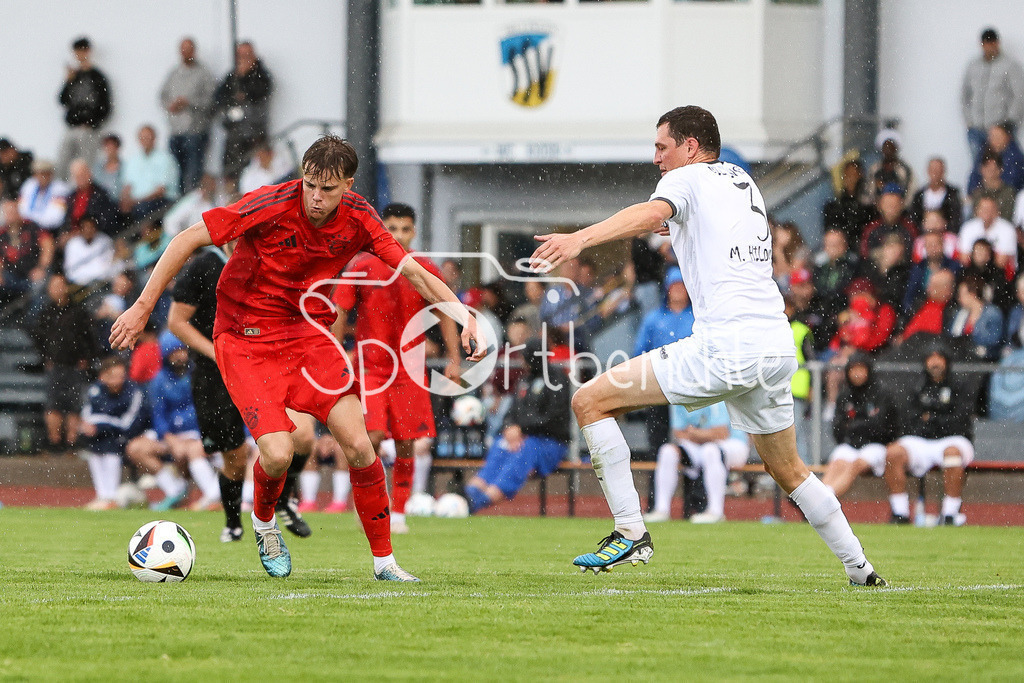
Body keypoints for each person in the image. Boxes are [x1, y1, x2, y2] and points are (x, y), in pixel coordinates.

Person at [530, 106, 885, 585]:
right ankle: (860, 568)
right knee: (791, 469)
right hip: (775, 346)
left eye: (662, 147)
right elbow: (703, 227)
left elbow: (654, 210)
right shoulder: (740, 180)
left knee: (589, 400)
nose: (656, 158)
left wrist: (581, 239)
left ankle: (631, 531)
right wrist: (673, 224)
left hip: (726, 346)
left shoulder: (687, 179)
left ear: (691, 147)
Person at [110, 135, 486, 581]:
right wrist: (141, 305)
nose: (315, 196)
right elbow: (188, 237)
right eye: (310, 184)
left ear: (348, 185)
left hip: (305, 334)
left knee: (361, 445)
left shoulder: (361, 218)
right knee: (277, 453)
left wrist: (464, 316)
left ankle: (385, 562)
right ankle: (265, 521)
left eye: (327, 188)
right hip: (243, 338)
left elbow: (415, 273)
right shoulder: (271, 202)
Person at [168, 239, 315, 541]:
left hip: (265, 366)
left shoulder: (270, 261)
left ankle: (284, 500)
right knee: (234, 460)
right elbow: (176, 322)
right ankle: (233, 522)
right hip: (215, 375)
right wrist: (218, 353)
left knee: (302, 436)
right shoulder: (203, 266)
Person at [332, 202, 461, 534]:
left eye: (405, 229)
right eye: (392, 228)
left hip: (409, 370)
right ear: (381, 230)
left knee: (406, 441)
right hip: (371, 368)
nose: (399, 235)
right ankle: (373, 507)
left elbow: (446, 311)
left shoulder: (424, 267)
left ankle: (399, 511)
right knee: (370, 438)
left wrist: (454, 359)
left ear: (413, 231)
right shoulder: (361, 265)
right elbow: (339, 311)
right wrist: (335, 353)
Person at [464, 338, 570, 513]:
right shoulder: (524, 380)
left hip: (551, 443)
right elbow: (510, 413)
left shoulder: (557, 379)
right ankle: (470, 492)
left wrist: (522, 429)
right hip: (522, 438)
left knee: (526, 450)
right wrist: (509, 428)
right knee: (500, 444)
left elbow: (554, 418)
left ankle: (478, 503)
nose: (521, 360)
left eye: (524, 356)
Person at [884, 346, 973, 526]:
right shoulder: (916, 385)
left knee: (952, 454)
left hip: (953, 438)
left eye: (939, 357)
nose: (935, 362)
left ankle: (950, 514)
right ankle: (900, 512)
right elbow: (910, 418)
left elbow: (960, 420)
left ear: (946, 361)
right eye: (931, 358)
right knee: (893, 453)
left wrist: (931, 418)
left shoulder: (960, 385)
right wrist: (937, 419)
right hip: (921, 440)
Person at [148, 334, 223, 511]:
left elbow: (212, 409)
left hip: (200, 433)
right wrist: (170, 439)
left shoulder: (200, 374)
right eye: (174, 352)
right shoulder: (158, 380)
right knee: (136, 448)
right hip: (173, 436)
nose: (180, 355)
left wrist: (202, 433)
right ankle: (175, 490)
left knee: (193, 450)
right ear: (166, 355)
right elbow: (158, 415)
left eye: (182, 350)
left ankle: (213, 498)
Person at [646, 402, 749, 524]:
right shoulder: (678, 396)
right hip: (699, 444)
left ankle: (715, 511)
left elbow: (721, 433)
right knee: (667, 451)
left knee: (710, 450)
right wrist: (701, 435)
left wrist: (694, 433)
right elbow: (678, 432)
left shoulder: (714, 392)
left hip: (733, 444)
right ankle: (661, 510)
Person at [32, 273, 99, 455]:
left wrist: (86, 358)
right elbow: (38, 338)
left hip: (75, 365)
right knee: (53, 406)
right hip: (55, 365)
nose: (57, 289)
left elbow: (89, 337)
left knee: (74, 406)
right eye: (53, 286)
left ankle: (71, 443)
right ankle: (54, 443)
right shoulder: (46, 313)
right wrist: (46, 357)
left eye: (60, 285)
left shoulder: (78, 312)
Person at [821, 353, 899, 499]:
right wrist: (861, 426)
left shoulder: (881, 394)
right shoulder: (845, 395)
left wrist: (855, 426)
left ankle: (826, 500)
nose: (857, 374)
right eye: (853, 370)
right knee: (836, 463)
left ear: (868, 371)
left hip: (876, 446)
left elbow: (883, 427)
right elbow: (838, 428)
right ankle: (816, 498)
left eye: (861, 369)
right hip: (850, 445)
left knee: (855, 465)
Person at [79, 357, 148, 510]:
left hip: (127, 435)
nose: (118, 380)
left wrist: (100, 425)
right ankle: (103, 495)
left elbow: (128, 423)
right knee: (96, 445)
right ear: (103, 376)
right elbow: (87, 415)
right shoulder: (95, 390)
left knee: (112, 444)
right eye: (113, 376)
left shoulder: (133, 391)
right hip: (100, 436)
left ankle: (110, 496)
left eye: (121, 376)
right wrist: (93, 427)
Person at [160, 37, 216, 194]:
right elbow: (162, 95)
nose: (185, 53)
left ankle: (192, 206)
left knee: (193, 175)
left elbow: (211, 101)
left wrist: (189, 102)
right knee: (175, 174)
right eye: (183, 50)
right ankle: (179, 207)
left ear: (194, 51)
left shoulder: (203, 73)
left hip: (195, 132)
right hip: (176, 131)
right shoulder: (174, 73)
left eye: (188, 49)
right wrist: (170, 105)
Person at [961, 28, 1024, 162]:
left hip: (999, 130)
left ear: (997, 43)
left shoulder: (1010, 65)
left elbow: (1019, 95)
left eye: (993, 43)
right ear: (982, 44)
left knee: (1003, 169)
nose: (990, 47)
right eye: (986, 44)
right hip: (976, 130)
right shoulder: (973, 66)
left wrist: (1007, 124)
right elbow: (965, 94)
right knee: (979, 170)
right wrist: (969, 121)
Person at [214, 41, 273, 182]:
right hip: (234, 132)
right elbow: (219, 96)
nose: (243, 58)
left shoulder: (262, 75)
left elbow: (260, 91)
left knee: (256, 172)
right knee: (231, 171)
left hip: (254, 132)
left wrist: (245, 82)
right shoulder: (232, 75)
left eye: (247, 55)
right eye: (241, 55)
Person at [56, 37, 112, 181]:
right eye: (77, 52)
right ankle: (61, 192)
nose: (80, 55)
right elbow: (62, 100)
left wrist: (92, 123)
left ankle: (86, 196)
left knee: (87, 166)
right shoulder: (73, 76)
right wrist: (68, 81)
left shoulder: (98, 77)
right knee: (62, 163)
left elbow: (105, 105)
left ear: (88, 51)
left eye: (83, 51)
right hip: (72, 127)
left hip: (89, 129)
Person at [121, 125, 180, 223]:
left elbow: (161, 191)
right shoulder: (133, 160)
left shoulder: (166, 159)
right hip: (137, 202)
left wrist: (136, 201)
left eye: (148, 137)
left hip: (161, 201)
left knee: (142, 208)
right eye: (142, 137)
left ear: (154, 138)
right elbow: (127, 186)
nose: (145, 140)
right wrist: (125, 200)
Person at [947, 275, 1005, 362]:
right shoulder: (960, 314)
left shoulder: (992, 313)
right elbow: (952, 337)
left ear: (973, 293)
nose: (959, 298)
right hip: (961, 359)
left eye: (962, 294)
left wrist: (971, 343)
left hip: (985, 360)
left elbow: (994, 340)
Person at [823, 159, 874, 248]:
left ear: (861, 176)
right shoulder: (834, 207)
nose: (851, 179)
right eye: (848, 175)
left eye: (855, 175)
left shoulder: (870, 204)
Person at [958, 196, 1017, 274]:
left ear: (997, 211)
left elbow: (1001, 262)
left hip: (999, 275)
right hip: (973, 273)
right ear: (977, 210)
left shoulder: (1007, 229)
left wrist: (979, 254)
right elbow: (964, 258)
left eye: (990, 209)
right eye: (983, 209)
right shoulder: (968, 227)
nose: (986, 212)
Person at [65, 158, 121, 236]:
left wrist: (82, 232)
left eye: (82, 175)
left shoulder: (100, 194)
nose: (81, 179)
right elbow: (66, 221)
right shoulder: (72, 197)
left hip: (95, 237)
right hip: (74, 238)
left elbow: (106, 221)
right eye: (77, 176)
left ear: (89, 174)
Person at [899, 269, 957, 342]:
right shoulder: (919, 303)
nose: (929, 289)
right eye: (929, 285)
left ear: (948, 290)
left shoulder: (951, 312)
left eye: (935, 286)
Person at [908, 157, 963, 233]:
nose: (935, 173)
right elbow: (914, 218)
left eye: (938, 170)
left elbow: (956, 218)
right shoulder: (919, 195)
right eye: (933, 170)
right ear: (928, 171)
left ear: (943, 171)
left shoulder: (953, 193)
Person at [18, 160, 70, 232]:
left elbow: (56, 217)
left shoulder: (60, 189)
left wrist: (33, 221)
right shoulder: (28, 186)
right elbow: (21, 210)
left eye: (45, 174)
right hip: (28, 229)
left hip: (50, 230)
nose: (42, 177)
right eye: (39, 174)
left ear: (51, 174)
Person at [63, 215, 114, 287]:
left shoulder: (105, 241)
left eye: (91, 227)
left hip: (102, 284)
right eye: (85, 227)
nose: (88, 230)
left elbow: (108, 267)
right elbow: (70, 272)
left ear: (95, 228)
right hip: (78, 286)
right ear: (81, 229)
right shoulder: (72, 244)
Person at [866, 132, 915, 204]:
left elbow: (911, 191)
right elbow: (869, 190)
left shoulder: (904, 170)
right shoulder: (874, 169)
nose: (888, 150)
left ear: (895, 149)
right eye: (885, 147)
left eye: (891, 147)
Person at [969, 151, 1017, 220]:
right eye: (987, 168)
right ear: (981, 169)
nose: (990, 172)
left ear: (1000, 170)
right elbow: (975, 220)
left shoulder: (1009, 193)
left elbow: (1008, 218)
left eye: (993, 169)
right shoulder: (977, 193)